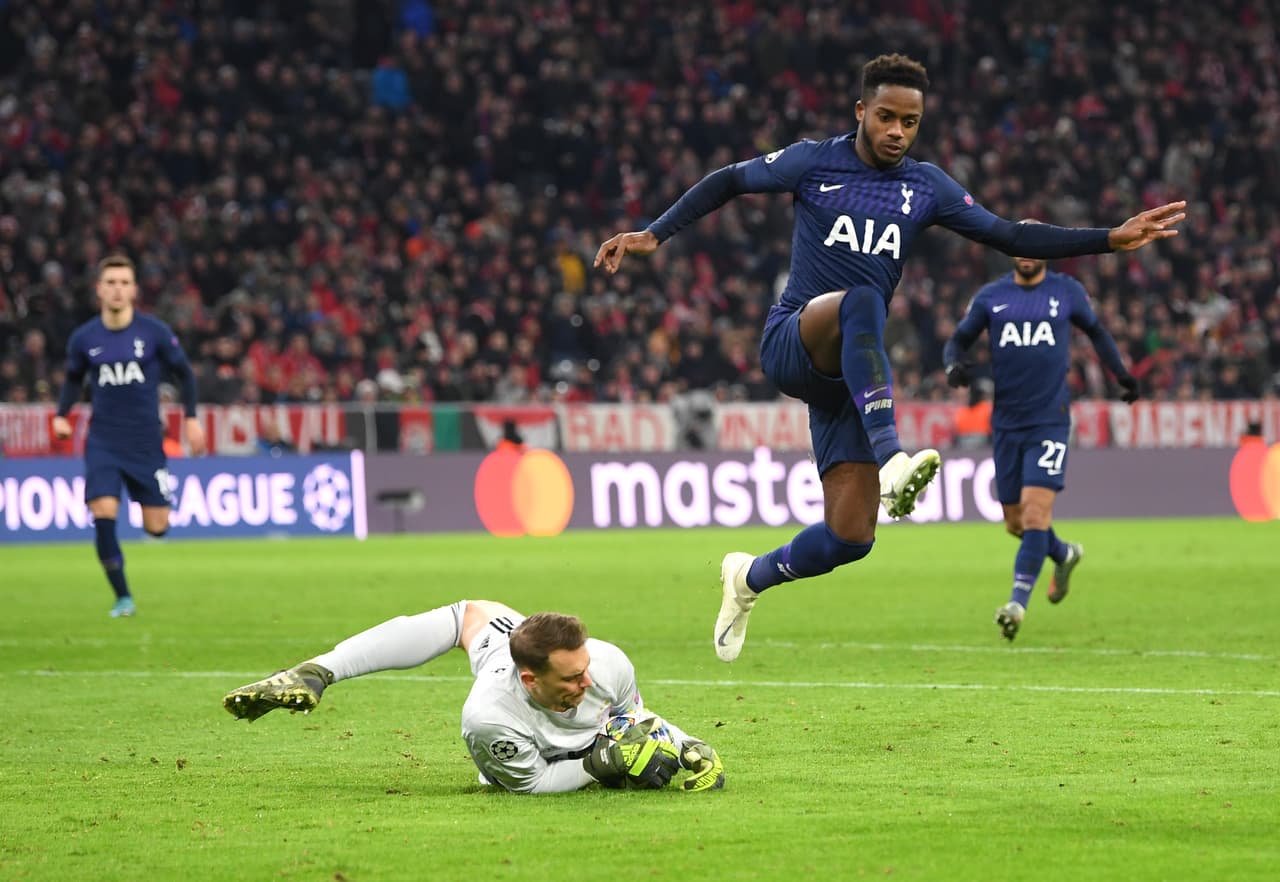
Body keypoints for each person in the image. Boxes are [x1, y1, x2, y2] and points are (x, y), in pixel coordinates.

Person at [594, 53, 1185, 663]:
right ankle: (894, 457)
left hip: (849, 375)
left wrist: (1108, 238)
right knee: (863, 301)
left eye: (911, 121)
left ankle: (748, 578)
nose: (898, 131)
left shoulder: (927, 187)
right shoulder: (813, 161)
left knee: (851, 537)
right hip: (794, 339)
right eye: (886, 117)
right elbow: (729, 180)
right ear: (861, 111)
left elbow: (1009, 234)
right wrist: (654, 233)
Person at [222, 600, 726, 794]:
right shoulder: (488, 716)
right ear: (531, 680)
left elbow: (631, 718)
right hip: (511, 709)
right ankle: (316, 670)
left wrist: (684, 743)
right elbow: (532, 783)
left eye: (585, 669)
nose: (586, 682)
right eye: (572, 678)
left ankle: (314, 672)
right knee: (458, 618)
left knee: (470, 614)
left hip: (501, 633)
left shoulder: (605, 663)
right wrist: (600, 765)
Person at [942, 240, 1140, 641]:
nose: (1027, 253)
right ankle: (1063, 554)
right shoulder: (992, 296)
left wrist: (1121, 374)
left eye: (1035, 246)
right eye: (1021, 246)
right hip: (1006, 424)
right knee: (1016, 523)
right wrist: (952, 365)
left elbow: (1097, 332)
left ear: (1046, 252)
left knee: (1035, 515)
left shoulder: (1066, 292)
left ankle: (1016, 605)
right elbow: (958, 340)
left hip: (1050, 421)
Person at [52, 254, 206, 617]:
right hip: (103, 440)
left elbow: (185, 374)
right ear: (99, 290)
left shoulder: (154, 332)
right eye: (111, 283)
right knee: (103, 511)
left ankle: (149, 525)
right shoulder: (84, 338)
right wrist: (61, 414)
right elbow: (73, 379)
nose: (117, 290)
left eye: (124, 283)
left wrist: (191, 418)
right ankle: (123, 597)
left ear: (135, 289)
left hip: (145, 441)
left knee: (157, 526)